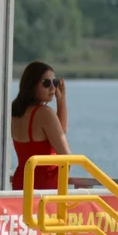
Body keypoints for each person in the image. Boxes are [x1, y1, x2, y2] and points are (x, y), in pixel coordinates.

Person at [10, 61, 71, 191]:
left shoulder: (15, 112)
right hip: (45, 185)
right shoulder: (44, 113)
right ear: (32, 86)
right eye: (46, 83)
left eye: (54, 83)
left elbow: (60, 132)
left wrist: (61, 100)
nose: (53, 88)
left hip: (22, 182)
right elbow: (67, 157)